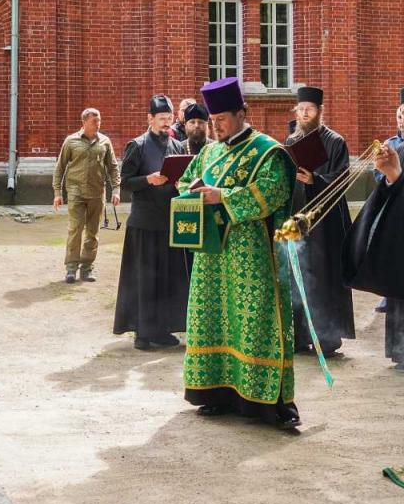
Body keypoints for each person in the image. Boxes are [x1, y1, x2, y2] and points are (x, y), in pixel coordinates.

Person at [176, 76, 300, 428]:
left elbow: (273, 191)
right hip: (213, 255)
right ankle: (215, 392)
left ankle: (267, 402)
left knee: (256, 322)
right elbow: (186, 180)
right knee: (213, 318)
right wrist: (196, 191)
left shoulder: (267, 150)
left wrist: (224, 196)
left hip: (252, 254)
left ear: (242, 113)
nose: (216, 127)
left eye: (223, 120)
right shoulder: (209, 151)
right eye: (213, 122)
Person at [346, 86, 404, 372]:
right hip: (397, 228)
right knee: (398, 287)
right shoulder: (393, 147)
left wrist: (399, 183)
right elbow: (381, 185)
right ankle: (402, 352)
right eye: (401, 113)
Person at [115, 95, 190, 350]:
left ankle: (163, 329)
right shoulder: (136, 145)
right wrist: (149, 179)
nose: (166, 124)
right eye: (161, 119)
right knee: (145, 280)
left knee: (167, 279)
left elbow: (183, 177)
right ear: (150, 119)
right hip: (144, 224)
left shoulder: (178, 146)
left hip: (169, 223)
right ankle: (143, 333)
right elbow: (124, 182)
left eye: (169, 119)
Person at [284, 86, 354, 358]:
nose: (304, 114)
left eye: (309, 110)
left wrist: (315, 181)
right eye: (300, 109)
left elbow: (342, 179)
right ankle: (300, 336)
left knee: (323, 278)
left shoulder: (336, 142)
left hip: (326, 224)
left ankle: (326, 338)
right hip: (297, 220)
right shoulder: (290, 142)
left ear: (319, 112)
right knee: (298, 274)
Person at [52, 108, 117, 283]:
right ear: (84, 122)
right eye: (94, 121)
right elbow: (60, 168)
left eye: (99, 120)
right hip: (76, 193)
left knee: (93, 232)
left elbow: (112, 167)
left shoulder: (105, 141)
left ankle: (87, 268)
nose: (98, 124)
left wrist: (116, 190)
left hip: (97, 193)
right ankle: (71, 268)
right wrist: (57, 193)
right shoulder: (71, 141)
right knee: (75, 230)